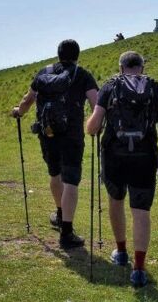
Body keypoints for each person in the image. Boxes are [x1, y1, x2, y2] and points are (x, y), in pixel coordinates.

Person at [86, 51, 158, 288]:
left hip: (114, 155)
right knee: (141, 211)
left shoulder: (109, 87)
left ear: (120, 67)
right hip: (144, 157)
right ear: (142, 68)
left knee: (116, 201)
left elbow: (93, 127)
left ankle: (121, 251)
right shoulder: (155, 88)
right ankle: (138, 268)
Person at [11, 40, 99, 249]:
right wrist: (97, 125)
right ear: (77, 55)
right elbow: (96, 102)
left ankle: (59, 214)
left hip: (47, 133)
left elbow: (28, 99)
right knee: (71, 180)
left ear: (58, 54)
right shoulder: (82, 75)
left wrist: (18, 112)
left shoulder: (44, 72)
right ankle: (66, 232)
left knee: (54, 174)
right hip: (72, 135)